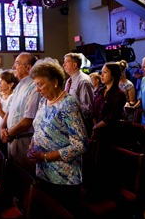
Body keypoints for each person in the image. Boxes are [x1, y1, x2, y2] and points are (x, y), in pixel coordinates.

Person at [26, 57, 87, 218]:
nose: (37, 89)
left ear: (55, 81)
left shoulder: (68, 104)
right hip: (44, 173)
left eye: (40, 84)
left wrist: (45, 156)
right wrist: (32, 146)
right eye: (36, 85)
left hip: (64, 178)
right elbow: (38, 128)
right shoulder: (44, 101)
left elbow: (80, 145)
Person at [0, 52, 41, 176]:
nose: (13, 67)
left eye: (17, 63)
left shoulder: (34, 86)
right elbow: (10, 110)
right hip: (12, 138)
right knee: (15, 176)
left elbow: (29, 119)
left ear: (28, 68)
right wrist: (2, 128)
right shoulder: (19, 85)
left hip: (24, 139)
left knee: (25, 177)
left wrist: (8, 133)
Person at [92, 62, 127, 145]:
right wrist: (95, 126)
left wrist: (96, 127)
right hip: (97, 130)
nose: (102, 75)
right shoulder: (100, 91)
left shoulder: (119, 94)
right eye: (101, 72)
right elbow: (93, 110)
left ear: (113, 75)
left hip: (110, 133)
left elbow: (111, 117)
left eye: (105, 72)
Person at [63, 52, 94, 137]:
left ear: (74, 65)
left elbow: (88, 107)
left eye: (66, 62)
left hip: (81, 123)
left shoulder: (83, 80)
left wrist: (71, 111)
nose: (63, 64)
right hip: (70, 121)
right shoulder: (69, 80)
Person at [0, 69, 19, 156]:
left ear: (10, 85)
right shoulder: (4, 96)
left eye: (2, 81)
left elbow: (9, 119)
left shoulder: (13, 97)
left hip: (5, 131)